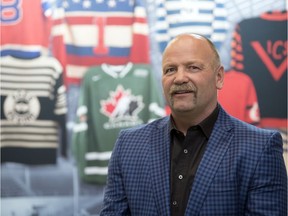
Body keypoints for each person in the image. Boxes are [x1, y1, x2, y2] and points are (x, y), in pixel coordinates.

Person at [100, 33, 287, 216]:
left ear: (219, 77)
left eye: (193, 67)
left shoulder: (260, 147)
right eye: (170, 70)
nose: (179, 78)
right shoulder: (129, 144)